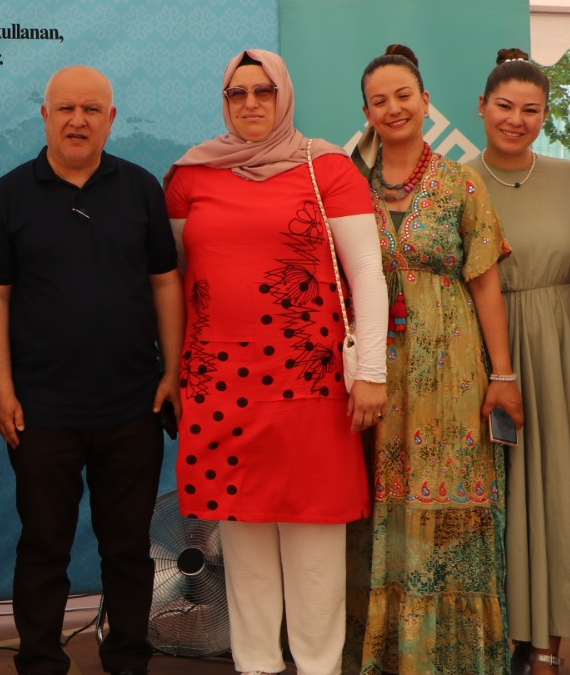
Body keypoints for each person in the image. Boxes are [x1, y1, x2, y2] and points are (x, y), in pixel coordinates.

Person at [165, 49, 387, 675]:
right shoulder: (189, 177)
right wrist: (174, 373)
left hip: (310, 385)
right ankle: (256, 665)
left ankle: (318, 667)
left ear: (285, 95)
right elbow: (176, 282)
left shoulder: (329, 168)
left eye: (263, 91)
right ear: (224, 101)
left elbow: (366, 273)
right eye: (237, 93)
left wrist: (372, 373)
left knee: (315, 544)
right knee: (245, 546)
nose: (251, 103)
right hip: (219, 386)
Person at [0, 65, 182, 675]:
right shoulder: (7, 195)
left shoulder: (141, 188)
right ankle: (40, 660)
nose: (77, 120)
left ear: (110, 119)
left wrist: (172, 370)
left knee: (129, 549)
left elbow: (165, 282)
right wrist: (1, 389)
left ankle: (128, 659)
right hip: (41, 408)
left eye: (91, 109)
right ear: (45, 115)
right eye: (65, 108)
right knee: (44, 546)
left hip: (133, 404)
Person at [346, 43, 523, 675]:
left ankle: (456, 657)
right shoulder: (349, 186)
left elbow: (486, 285)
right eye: (379, 101)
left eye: (404, 96)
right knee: (376, 500)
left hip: (453, 370)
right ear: (366, 113)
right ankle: (386, 654)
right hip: (374, 372)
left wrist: (503, 376)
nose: (393, 108)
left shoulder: (459, 183)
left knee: (454, 502)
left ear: (426, 102)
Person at [467, 49, 570, 674]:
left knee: (561, 488)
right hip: (490, 353)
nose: (515, 120)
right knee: (505, 491)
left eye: (531, 110)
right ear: (481, 107)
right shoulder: (457, 180)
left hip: (569, 348)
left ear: (546, 115)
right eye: (504, 106)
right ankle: (508, 638)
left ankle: (553, 640)